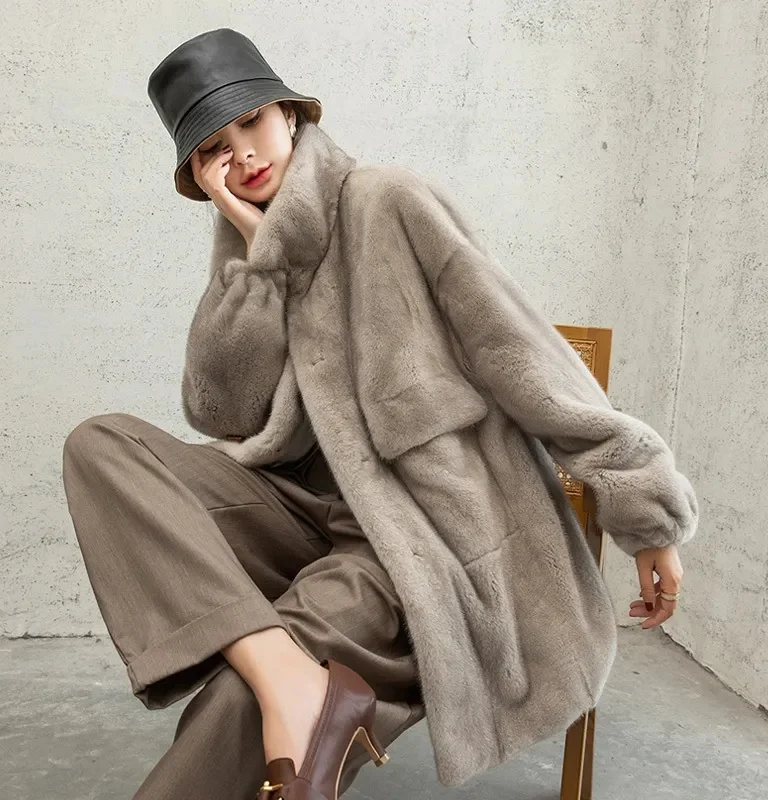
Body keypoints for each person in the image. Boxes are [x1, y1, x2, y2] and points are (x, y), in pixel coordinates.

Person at [62, 26, 693, 800]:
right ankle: (290, 677)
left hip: (410, 541)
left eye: (252, 122)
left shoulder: (388, 201)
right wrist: (261, 268)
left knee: (236, 703)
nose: (244, 154)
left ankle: (282, 684)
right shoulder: (246, 255)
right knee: (100, 445)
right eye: (214, 150)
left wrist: (645, 509)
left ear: (289, 113)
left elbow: (524, 359)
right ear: (200, 175)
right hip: (298, 514)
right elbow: (220, 411)